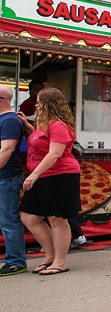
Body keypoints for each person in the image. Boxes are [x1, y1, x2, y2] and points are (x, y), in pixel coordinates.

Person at [17, 88, 82, 275]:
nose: (36, 105)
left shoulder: (59, 126)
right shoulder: (45, 125)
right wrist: (27, 126)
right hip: (44, 175)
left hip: (60, 176)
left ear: (49, 104)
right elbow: (40, 141)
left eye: (39, 101)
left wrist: (34, 174)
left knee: (57, 218)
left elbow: (55, 153)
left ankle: (59, 262)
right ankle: (50, 255)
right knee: (29, 216)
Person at [0, 85, 27, 276]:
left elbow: (7, 149)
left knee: (8, 219)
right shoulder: (8, 119)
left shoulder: (9, 120)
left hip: (7, 176)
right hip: (6, 175)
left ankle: (16, 260)